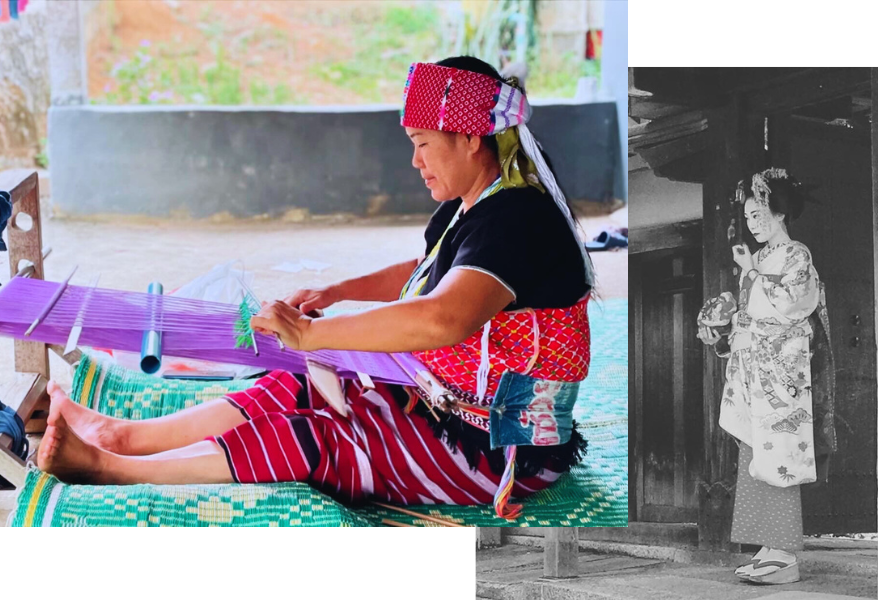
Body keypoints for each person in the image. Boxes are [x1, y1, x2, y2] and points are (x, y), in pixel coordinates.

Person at [38, 56, 595, 520]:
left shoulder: (520, 219)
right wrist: (338, 290)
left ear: (472, 138)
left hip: (501, 455)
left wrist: (311, 332)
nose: (414, 160)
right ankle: (124, 435)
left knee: (321, 437)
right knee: (309, 383)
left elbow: (444, 316)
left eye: (423, 143)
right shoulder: (475, 206)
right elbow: (431, 270)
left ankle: (112, 468)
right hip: (444, 410)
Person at [697, 168, 835, 584]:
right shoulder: (756, 261)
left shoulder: (797, 255)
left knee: (779, 457)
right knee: (754, 455)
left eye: (759, 213)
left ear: (779, 213)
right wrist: (723, 331)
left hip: (782, 375)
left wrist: (753, 276)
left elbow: (795, 305)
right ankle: (766, 546)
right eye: (748, 215)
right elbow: (749, 316)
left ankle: (786, 553)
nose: (753, 222)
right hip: (754, 370)